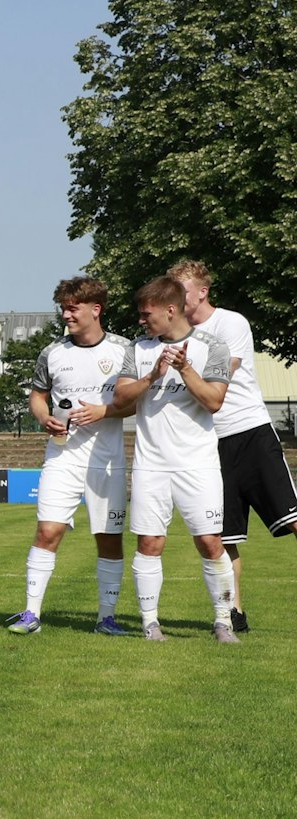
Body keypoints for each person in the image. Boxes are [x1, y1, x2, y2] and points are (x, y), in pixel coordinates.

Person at [112, 276, 238, 643]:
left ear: (170, 310)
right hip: (150, 464)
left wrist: (185, 369)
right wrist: (153, 375)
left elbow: (214, 401)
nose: (141, 320)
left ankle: (223, 622)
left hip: (198, 464)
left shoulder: (212, 346)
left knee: (210, 542)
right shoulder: (137, 349)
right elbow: (120, 399)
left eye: (146, 314)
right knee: (149, 543)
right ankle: (150, 624)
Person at [170, 259, 294, 632]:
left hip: (250, 432)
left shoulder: (230, 323)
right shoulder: (173, 335)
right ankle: (234, 612)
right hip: (209, 444)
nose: (175, 299)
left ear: (202, 291)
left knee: (293, 518)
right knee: (225, 536)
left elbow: (224, 372)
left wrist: (183, 370)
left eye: (182, 291)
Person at [7, 278, 133, 635]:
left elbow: (137, 402)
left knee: (109, 537)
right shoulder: (52, 352)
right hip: (61, 456)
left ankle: (106, 618)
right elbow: (37, 395)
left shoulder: (125, 350)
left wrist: (104, 412)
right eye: (63, 308)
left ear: (96, 309)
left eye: (73, 308)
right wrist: (43, 417)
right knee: (47, 531)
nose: (66, 315)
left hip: (107, 459)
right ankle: (31, 615)